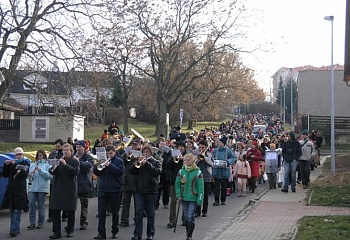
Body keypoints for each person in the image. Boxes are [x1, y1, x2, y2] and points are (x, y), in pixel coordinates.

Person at [129, 144, 162, 240]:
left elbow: (157, 172)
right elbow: (131, 171)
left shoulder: (156, 162)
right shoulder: (138, 162)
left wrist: (147, 164)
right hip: (139, 190)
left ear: (151, 153)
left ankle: (150, 234)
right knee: (138, 213)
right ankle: (137, 234)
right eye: (144, 152)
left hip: (152, 190)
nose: (145, 154)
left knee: (151, 213)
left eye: (147, 152)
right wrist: (136, 164)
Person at [49, 143, 80, 239]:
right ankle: (56, 232)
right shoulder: (59, 161)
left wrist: (65, 164)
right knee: (56, 211)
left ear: (71, 151)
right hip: (58, 189)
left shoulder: (75, 161)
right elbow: (53, 172)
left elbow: (75, 172)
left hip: (70, 189)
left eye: (67, 150)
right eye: (64, 150)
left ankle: (70, 230)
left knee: (70, 211)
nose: (65, 152)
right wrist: (53, 167)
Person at [93, 145, 124, 240]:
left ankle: (115, 231)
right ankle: (101, 233)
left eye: (111, 153)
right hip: (103, 189)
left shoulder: (119, 161)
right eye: (107, 153)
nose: (109, 155)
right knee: (101, 212)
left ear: (114, 152)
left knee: (115, 212)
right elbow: (97, 173)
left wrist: (109, 165)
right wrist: (98, 165)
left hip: (115, 190)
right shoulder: (102, 160)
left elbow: (119, 173)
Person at [1, 147, 30, 237]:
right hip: (11, 190)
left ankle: (13, 229)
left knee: (17, 211)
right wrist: (6, 165)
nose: (18, 156)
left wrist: (13, 165)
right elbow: (5, 175)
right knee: (12, 211)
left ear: (23, 155)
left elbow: (23, 175)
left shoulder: (25, 163)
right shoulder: (11, 164)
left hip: (20, 191)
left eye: (20, 154)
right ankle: (15, 228)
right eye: (17, 155)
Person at [175, 153, 204, 240]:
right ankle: (188, 233)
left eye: (189, 160)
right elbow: (177, 184)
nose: (187, 162)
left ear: (192, 161)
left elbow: (201, 187)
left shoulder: (198, 172)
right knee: (186, 216)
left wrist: (200, 199)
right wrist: (178, 195)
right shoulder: (181, 171)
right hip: (184, 197)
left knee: (190, 215)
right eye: (185, 160)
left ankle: (189, 235)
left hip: (193, 197)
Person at [27, 149, 53, 230]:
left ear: (44, 156)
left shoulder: (47, 165)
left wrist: (40, 170)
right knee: (31, 205)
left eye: (41, 155)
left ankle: (40, 223)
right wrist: (31, 174)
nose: (39, 157)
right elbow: (29, 177)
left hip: (42, 188)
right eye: (38, 156)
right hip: (33, 187)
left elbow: (49, 176)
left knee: (41, 206)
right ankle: (32, 223)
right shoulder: (33, 165)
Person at [165, 141, 188, 228]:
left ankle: (185, 219)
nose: (180, 148)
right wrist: (172, 159)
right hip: (175, 181)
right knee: (173, 201)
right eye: (179, 147)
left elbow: (191, 167)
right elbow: (167, 166)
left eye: (182, 147)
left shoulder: (188, 156)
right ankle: (172, 220)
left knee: (185, 200)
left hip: (185, 180)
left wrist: (184, 161)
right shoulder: (173, 156)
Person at [119, 139, 141, 227]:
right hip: (127, 181)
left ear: (139, 145)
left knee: (138, 203)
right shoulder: (126, 153)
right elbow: (120, 161)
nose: (134, 147)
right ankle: (124, 220)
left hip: (137, 181)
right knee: (125, 202)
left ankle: (137, 219)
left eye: (136, 145)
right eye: (133, 145)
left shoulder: (141, 154)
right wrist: (126, 156)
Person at [75, 140, 94, 230]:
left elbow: (88, 166)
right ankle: (70, 223)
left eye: (80, 147)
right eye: (77, 147)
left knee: (84, 205)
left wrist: (79, 161)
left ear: (84, 147)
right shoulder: (73, 156)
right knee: (71, 205)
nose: (78, 149)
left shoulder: (89, 157)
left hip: (84, 183)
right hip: (74, 183)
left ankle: (83, 222)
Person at [211, 136, 236, 205]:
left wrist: (227, 162)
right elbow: (211, 157)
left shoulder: (228, 150)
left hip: (224, 171)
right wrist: (213, 161)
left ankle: (223, 200)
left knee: (224, 186)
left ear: (224, 143)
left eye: (220, 142)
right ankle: (216, 200)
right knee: (216, 187)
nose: (219, 143)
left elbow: (233, 158)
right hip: (216, 171)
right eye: (219, 142)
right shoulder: (215, 150)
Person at [47, 139, 65, 223]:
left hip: (62, 178)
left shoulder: (64, 153)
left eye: (58, 146)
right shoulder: (53, 153)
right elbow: (48, 163)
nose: (57, 148)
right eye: (56, 146)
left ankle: (64, 215)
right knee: (52, 198)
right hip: (53, 178)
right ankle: (51, 216)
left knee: (62, 197)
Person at [194, 140, 212, 217]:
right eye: (200, 147)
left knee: (205, 195)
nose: (201, 149)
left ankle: (204, 211)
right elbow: (194, 164)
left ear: (206, 147)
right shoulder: (196, 154)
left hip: (206, 177)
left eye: (202, 147)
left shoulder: (209, 154)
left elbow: (211, 163)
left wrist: (205, 158)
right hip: (197, 177)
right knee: (198, 195)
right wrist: (198, 158)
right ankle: (197, 211)